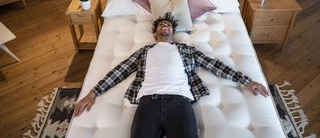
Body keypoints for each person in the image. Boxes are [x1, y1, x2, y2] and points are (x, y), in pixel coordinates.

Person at [73, 12, 269, 138]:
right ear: (155, 32)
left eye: (168, 25)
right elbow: (120, 70)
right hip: (148, 102)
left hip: (180, 102)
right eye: (160, 25)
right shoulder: (144, 51)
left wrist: (246, 80)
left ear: (173, 31)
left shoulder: (186, 50)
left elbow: (214, 65)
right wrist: (93, 93)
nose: (164, 26)